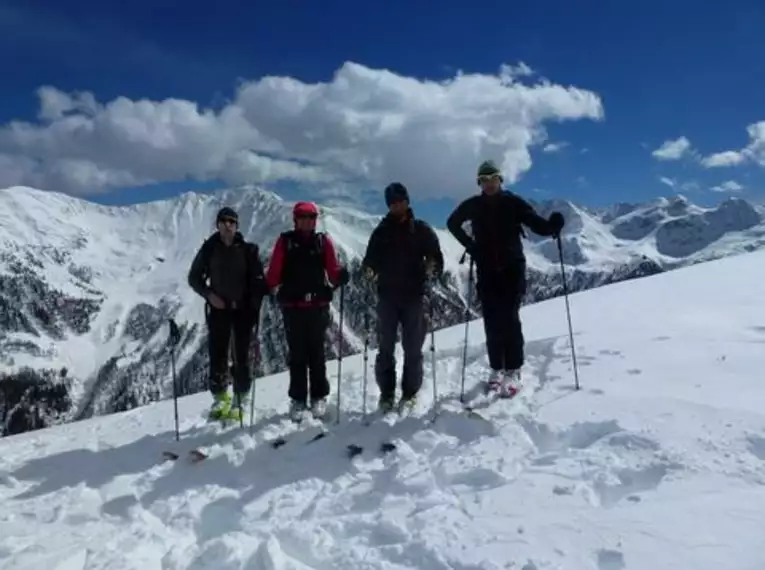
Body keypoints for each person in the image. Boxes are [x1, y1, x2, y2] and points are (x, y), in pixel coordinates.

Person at [446, 160, 565, 396]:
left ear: (500, 180)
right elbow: (452, 223)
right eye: (485, 180)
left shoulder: (513, 203)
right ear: (480, 182)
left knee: (509, 319)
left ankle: (513, 369)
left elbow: (535, 223)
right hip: (487, 270)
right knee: (491, 320)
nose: (489, 184)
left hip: (512, 269)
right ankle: (496, 368)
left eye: (493, 179)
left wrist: (552, 227)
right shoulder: (474, 205)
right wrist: (471, 245)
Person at [361, 182, 444, 415]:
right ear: (388, 206)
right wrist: (368, 270)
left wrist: (433, 267)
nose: (397, 205)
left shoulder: (421, 230)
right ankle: (387, 394)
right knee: (385, 348)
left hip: (413, 296)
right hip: (387, 296)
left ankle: (409, 394)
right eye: (392, 203)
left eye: (400, 201)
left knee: (413, 348)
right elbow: (369, 261)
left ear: (407, 201)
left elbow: (437, 259)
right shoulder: (381, 232)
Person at [265, 201, 350, 422]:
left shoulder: (323, 243)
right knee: (298, 355)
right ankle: (300, 399)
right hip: (294, 308)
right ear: (295, 219)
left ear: (315, 220)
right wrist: (264, 283)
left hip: (315, 308)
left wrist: (340, 275)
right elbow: (274, 272)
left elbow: (332, 272)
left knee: (316, 354)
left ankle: (317, 396)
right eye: (303, 217)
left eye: (311, 217)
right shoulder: (285, 242)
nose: (307, 221)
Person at [188, 206, 269, 421]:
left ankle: (240, 398)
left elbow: (257, 283)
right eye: (223, 221)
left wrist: (253, 307)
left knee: (241, 356)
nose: (227, 226)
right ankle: (221, 397)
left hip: (242, 310)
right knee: (218, 355)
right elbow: (194, 277)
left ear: (237, 226)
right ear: (217, 224)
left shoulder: (247, 250)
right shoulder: (209, 249)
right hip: (218, 310)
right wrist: (208, 295)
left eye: (231, 222)